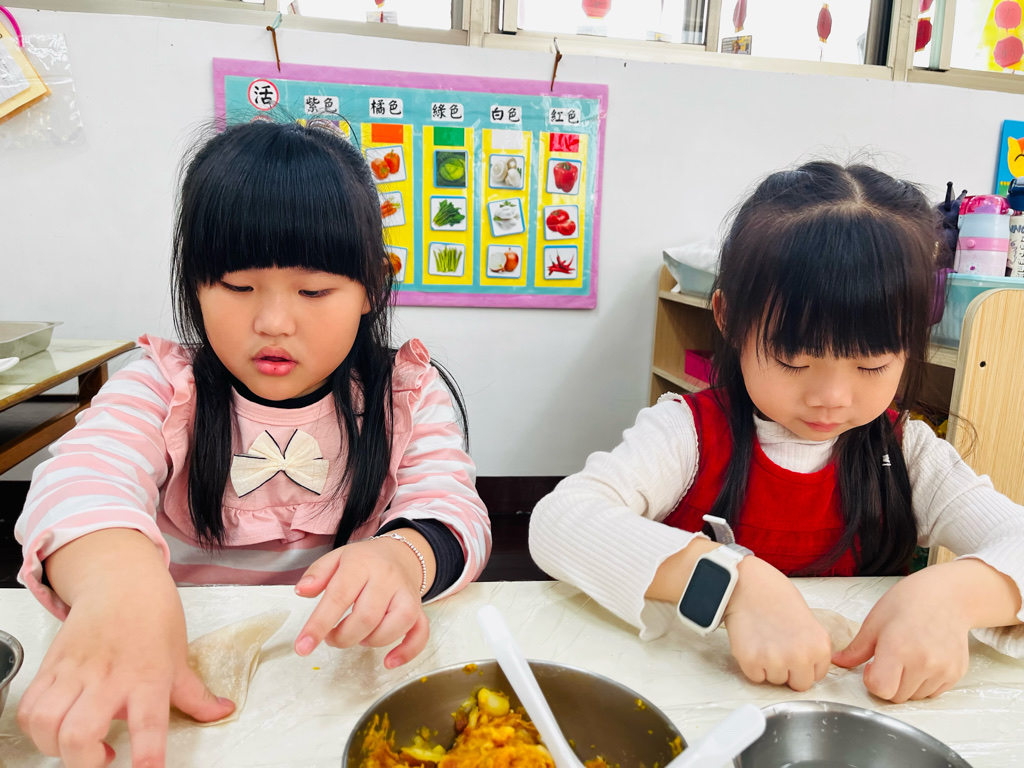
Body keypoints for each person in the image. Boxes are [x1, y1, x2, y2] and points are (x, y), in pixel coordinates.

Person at [15, 120, 491, 766]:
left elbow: (453, 507)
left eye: (313, 291)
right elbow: (80, 481)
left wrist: (403, 558)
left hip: (336, 674)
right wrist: (117, 584)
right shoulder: (163, 388)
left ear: (373, 288)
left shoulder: (403, 393)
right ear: (195, 285)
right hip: (175, 670)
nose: (272, 322)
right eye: (237, 287)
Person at [530, 160, 1024, 703]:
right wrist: (733, 583)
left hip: (848, 707)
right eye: (794, 359)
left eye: (872, 364)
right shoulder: (687, 434)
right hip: (694, 700)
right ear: (728, 318)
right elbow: (559, 521)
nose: (831, 397)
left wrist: (956, 595)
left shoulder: (906, 453)